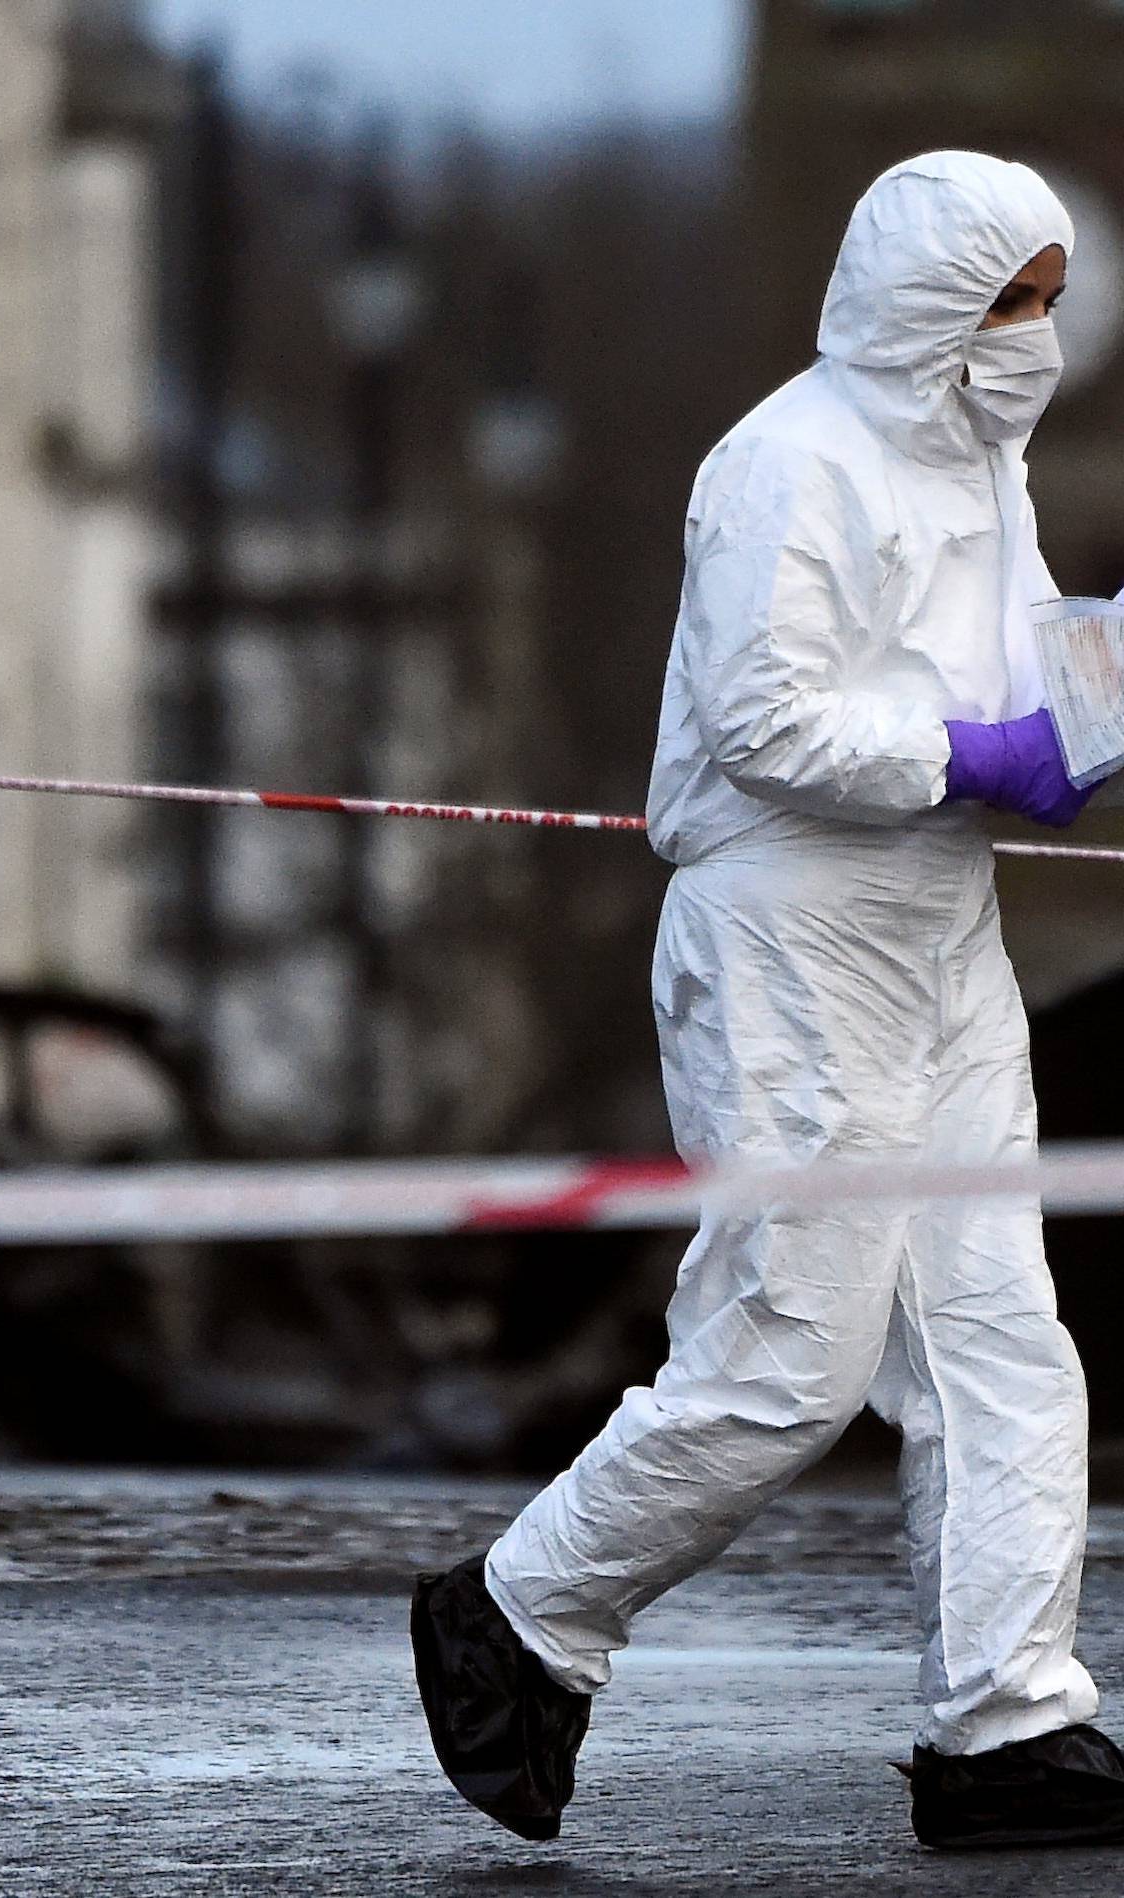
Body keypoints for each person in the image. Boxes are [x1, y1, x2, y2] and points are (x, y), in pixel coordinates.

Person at [412, 151, 1124, 1854]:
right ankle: (519, 1609)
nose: (1032, 336)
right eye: (1007, 301)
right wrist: (968, 751)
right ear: (922, 302)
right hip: (791, 938)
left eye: (1048, 300)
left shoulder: (985, 464)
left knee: (1001, 1339)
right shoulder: (785, 464)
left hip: (941, 928)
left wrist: (1091, 697)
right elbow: (760, 718)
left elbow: (1026, 670)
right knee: (788, 1357)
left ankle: (1006, 1723)